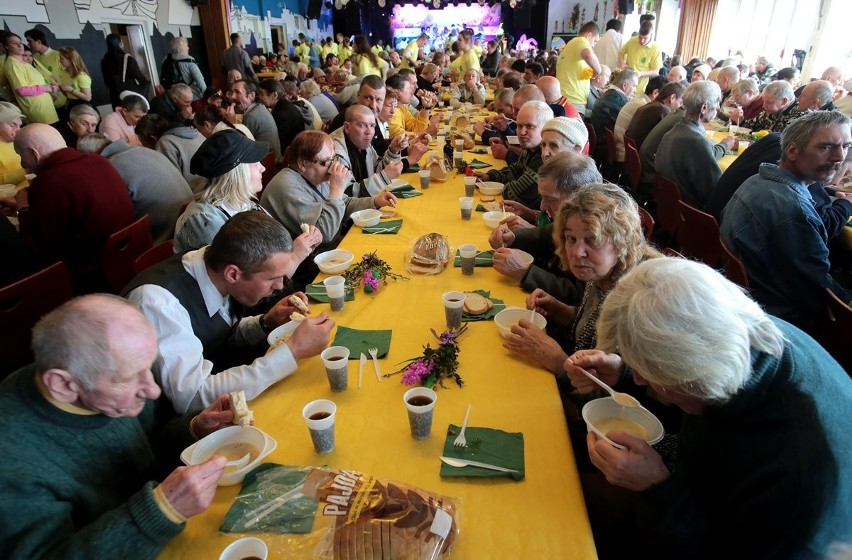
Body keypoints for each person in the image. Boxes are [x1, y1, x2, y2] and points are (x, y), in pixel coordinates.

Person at [566, 258, 852, 559]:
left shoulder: (803, 484)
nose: (639, 378)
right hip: (691, 496)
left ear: (694, 378)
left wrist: (655, 489)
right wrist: (626, 374)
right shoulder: (736, 333)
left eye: (647, 371)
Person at [0, 294, 238, 558]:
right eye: (129, 378)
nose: (153, 391)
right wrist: (160, 511)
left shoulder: (101, 376)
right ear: (63, 385)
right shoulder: (12, 465)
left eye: (148, 369)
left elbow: (145, 445)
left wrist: (192, 429)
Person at [124, 211, 335, 414]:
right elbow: (192, 398)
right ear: (233, 273)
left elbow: (214, 334)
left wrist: (265, 322)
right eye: (272, 279)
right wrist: (293, 350)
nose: (280, 286)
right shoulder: (158, 304)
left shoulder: (214, 266)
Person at [721, 110, 852, 332]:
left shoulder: (755, 181)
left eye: (845, 146)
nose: (839, 157)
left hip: (741, 298)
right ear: (792, 151)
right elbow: (820, 294)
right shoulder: (794, 211)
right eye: (825, 147)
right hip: (776, 321)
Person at [259, 130, 397, 287]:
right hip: (301, 274)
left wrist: (374, 202)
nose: (332, 167)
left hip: (327, 256)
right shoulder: (286, 186)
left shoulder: (316, 174)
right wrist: (336, 190)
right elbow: (325, 234)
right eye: (326, 162)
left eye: (334, 159)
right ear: (303, 164)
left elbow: (342, 205)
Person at [11, 124, 135, 292]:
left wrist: (23, 211)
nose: (22, 163)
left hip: (92, 276)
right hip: (130, 254)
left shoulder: (48, 182)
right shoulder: (99, 161)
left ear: (34, 153)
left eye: (21, 156)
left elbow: (40, 247)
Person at [175, 130, 321, 258]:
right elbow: (238, 283)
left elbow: (276, 249)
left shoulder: (243, 203)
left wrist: (306, 244)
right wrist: (295, 255)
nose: (262, 168)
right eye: (255, 162)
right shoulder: (203, 220)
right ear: (236, 172)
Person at [490, 152, 601, 299]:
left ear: (578, 195)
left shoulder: (599, 231)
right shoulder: (576, 215)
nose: (542, 206)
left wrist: (525, 272)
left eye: (550, 199)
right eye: (542, 197)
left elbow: (580, 296)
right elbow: (544, 235)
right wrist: (512, 238)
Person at [76, 133, 193, 245]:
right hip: (190, 219)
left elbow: (115, 220)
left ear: (89, 156)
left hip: (167, 237)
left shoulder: (111, 168)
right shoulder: (144, 150)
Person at [654, 80, 734, 211]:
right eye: (717, 102)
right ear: (704, 108)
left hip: (669, 206)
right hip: (690, 212)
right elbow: (714, 191)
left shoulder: (674, 131)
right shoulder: (696, 141)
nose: (719, 108)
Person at [474, 100, 553, 208]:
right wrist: (490, 177)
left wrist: (501, 185)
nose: (522, 132)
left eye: (530, 126)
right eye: (519, 126)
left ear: (546, 128)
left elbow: (515, 195)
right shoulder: (530, 149)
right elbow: (514, 170)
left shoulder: (545, 158)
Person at [136, 112, 206, 193]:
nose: (145, 148)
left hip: (197, 195)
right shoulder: (194, 132)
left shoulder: (165, 143)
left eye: (145, 144)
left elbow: (171, 184)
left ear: (152, 139)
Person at [1, 31, 58, 124]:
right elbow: (21, 90)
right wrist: (45, 88)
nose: (20, 45)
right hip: (37, 113)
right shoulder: (12, 64)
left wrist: (50, 87)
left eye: (20, 42)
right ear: (6, 46)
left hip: (46, 110)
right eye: (14, 43)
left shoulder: (24, 63)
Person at [590, 67, 639, 162]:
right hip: (605, 149)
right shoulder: (621, 102)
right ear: (624, 85)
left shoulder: (607, 93)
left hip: (598, 147)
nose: (635, 90)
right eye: (634, 86)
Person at [614, 75, 666, 164]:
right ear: (655, 92)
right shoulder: (645, 107)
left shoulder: (638, 100)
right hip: (624, 155)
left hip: (620, 148)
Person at [229, 79, 282, 164]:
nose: (233, 97)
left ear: (252, 96)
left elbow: (238, 146)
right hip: (272, 160)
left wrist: (231, 123)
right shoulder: (260, 107)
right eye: (232, 93)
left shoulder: (251, 116)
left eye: (237, 92)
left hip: (269, 166)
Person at [556, 21, 602, 115]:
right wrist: (598, 71)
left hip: (568, 99)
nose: (593, 45)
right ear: (589, 35)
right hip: (573, 101)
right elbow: (588, 55)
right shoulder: (581, 41)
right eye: (595, 41)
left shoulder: (571, 45)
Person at [256, 78, 305, 157]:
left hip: (290, 157)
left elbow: (276, 143)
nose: (259, 97)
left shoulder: (281, 114)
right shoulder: (284, 105)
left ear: (275, 95)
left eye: (262, 94)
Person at [101, 33, 149, 110]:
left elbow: (107, 82)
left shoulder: (104, 61)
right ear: (120, 43)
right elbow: (140, 78)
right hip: (131, 96)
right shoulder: (127, 59)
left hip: (115, 96)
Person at [618, 22, 662, 93]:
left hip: (640, 85)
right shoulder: (632, 40)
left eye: (645, 38)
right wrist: (622, 64)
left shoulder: (656, 48)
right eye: (640, 37)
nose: (642, 41)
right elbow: (621, 52)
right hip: (626, 80)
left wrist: (641, 73)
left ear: (651, 35)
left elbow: (656, 71)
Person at [162, 36, 207, 100]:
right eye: (187, 46)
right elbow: (201, 83)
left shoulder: (166, 59)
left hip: (170, 96)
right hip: (188, 96)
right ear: (182, 48)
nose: (188, 48)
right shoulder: (190, 63)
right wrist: (209, 96)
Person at [56, 46, 92, 117]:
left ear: (71, 60)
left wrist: (70, 89)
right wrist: (59, 88)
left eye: (62, 58)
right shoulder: (64, 73)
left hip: (82, 107)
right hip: (70, 104)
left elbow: (88, 98)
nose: (60, 60)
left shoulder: (82, 76)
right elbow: (66, 93)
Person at [0, 101, 26, 186]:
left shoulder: (18, 141)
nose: (18, 130)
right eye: (12, 125)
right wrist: (28, 170)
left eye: (19, 125)